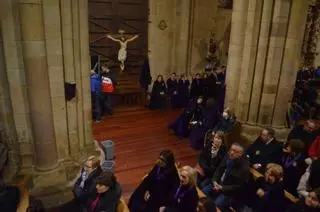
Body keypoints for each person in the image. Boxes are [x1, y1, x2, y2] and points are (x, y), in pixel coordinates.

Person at [202, 143, 250, 211]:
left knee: (217, 205)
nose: (232, 153)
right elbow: (219, 169)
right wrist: (214, 181)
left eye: (235, 151)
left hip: (228, 192)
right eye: (231, 150)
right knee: (203, 192)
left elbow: (238, 186)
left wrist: (222, 188)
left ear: (241, 154)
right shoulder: (228, 156)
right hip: (218, 183)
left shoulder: (244, 168)